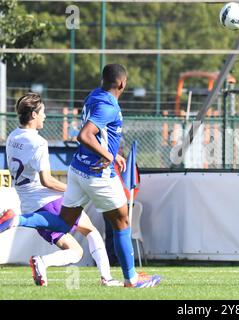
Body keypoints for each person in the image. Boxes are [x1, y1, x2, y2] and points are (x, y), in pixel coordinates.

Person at [0, 64, 160, 288]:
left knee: (64, 224)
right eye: (43, 112)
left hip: (76, 171)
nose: (45, 115)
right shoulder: (106, 108)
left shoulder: (93, 96)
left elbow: (97, 133)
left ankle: (19, 220)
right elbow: (85, 135)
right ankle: (129, 278)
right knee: (122, 221)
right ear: (122, 84)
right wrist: (109, 156)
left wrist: (112, 154)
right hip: (97, 174)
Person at [4, 92, 122, 287]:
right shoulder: (39, 143)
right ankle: (107, 279)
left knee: (76, 251)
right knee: (91, 231)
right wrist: (72, 190)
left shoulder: (12, 137)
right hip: (48, 201)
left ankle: (42, 262)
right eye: (42, 112)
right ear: (33, 115)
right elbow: (47, 181)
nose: (45, 116)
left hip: (29, 204)